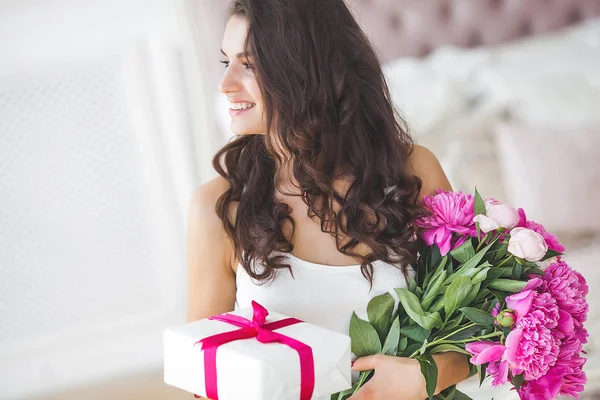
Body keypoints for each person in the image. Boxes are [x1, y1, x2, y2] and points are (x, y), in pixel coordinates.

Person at [186, 0, 471, 399]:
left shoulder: (413, 172)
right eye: (226, 62)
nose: (225, 84)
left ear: (306, 68)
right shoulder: (220, 207)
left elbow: (478, 332)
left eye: (248, 65)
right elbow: (204, 375)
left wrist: (423, 377)